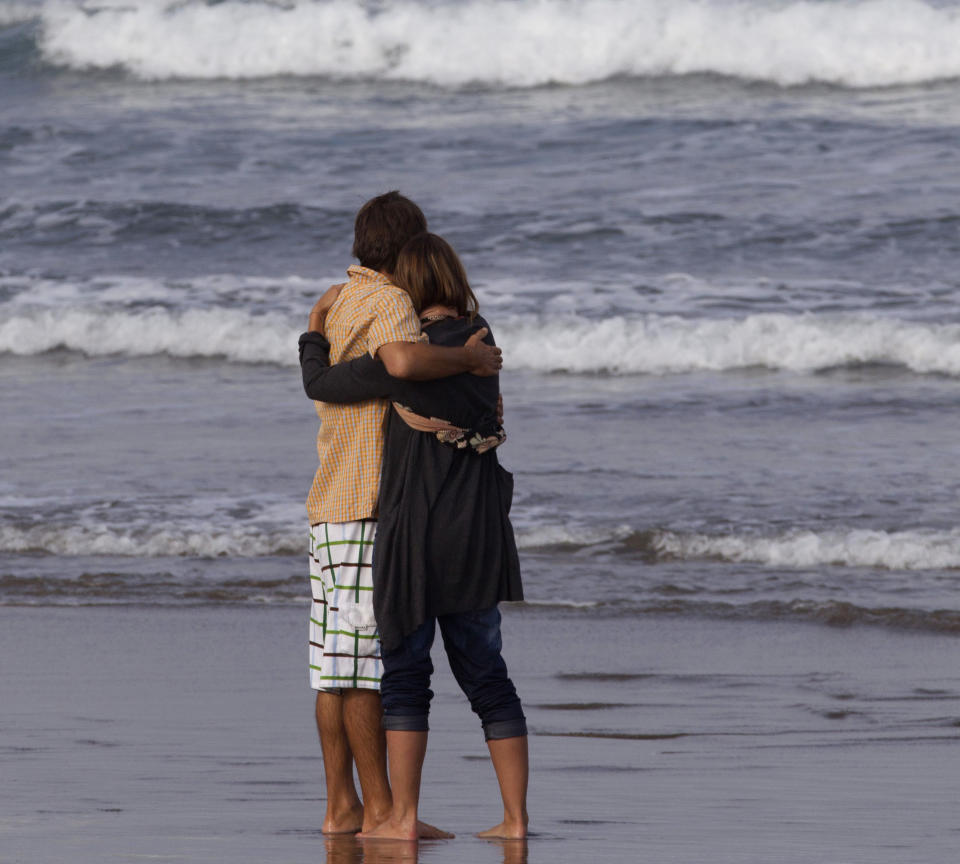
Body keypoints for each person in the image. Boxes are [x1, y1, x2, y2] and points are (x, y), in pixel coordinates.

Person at [299, 233, 529, 840]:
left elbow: (324, 384)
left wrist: (315, 327)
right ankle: (515, 820)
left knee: (404, 678)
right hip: (479, 536)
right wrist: (477, 361)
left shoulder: (408, 354)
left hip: (415, 538)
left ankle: (398, 817)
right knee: (488, 677)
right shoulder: (484, 343)